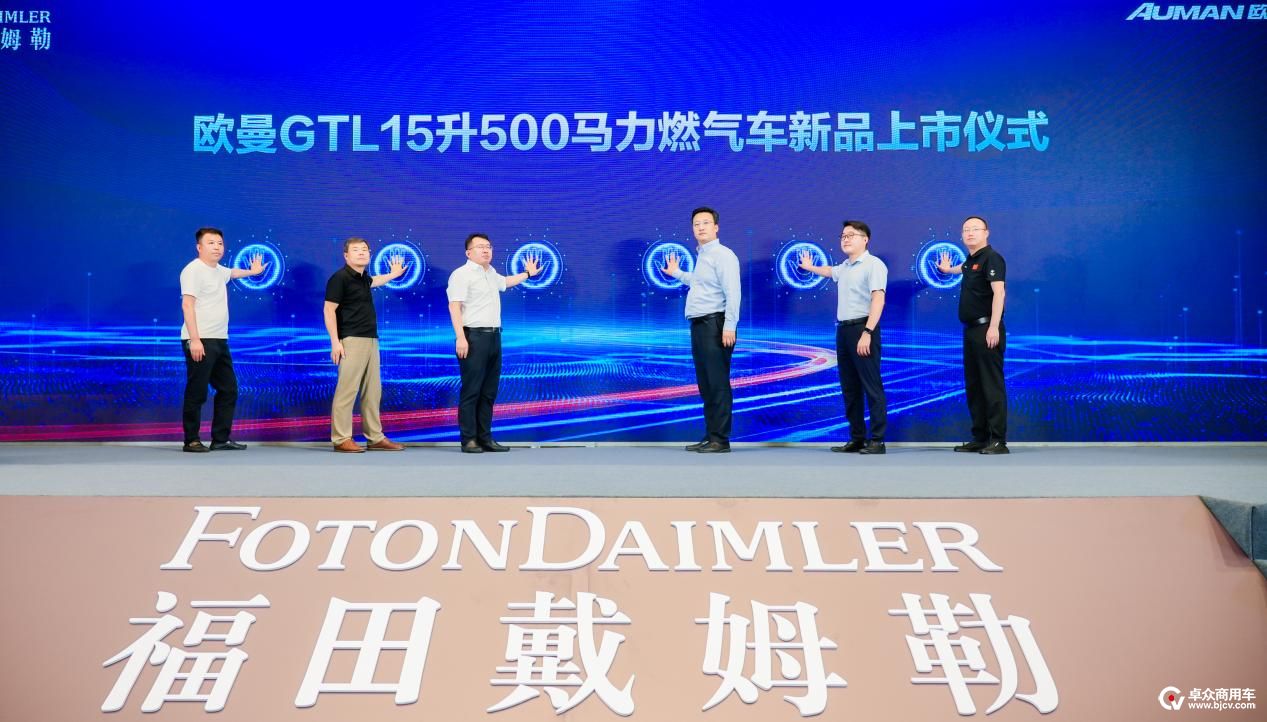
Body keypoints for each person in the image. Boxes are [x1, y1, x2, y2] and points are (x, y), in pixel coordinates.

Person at [799, 220, 888, 454]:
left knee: (871, 386)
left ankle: (877, 440)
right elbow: (830, 271)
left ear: (865, 239)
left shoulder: (873, 265)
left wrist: (868, 332)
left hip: (863, 329)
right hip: (844, 331)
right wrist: (810, 267)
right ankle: (857, 438)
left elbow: (878, 299)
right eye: (843, 236)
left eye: (851, 235)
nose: (846, 239)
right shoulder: (845, 267)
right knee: (850, 387)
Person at [446, 234, 541, 453]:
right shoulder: (461, 274)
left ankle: (485, 438)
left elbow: (505, 282)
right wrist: (460, 337)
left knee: (489, 392)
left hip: (494, 337)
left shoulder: (490, 272)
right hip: (473, 337)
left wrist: (528, 274)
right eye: (480, 247)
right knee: (472, 390)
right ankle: (469, 439)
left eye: (488, 246)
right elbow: (454, 306)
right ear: (468, 252)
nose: (486, 250)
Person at [179, 227, 266, 452]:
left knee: (229, 389)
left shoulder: (218, 270)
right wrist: (194, 340)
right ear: (199, 247)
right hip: (200, 339)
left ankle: (220, 439)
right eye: (211, 243)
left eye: (220, 243)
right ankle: (191, 440)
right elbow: (187, 305)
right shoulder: (193, 270)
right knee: (197, 391)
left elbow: (232, 273)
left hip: (219, 339)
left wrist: (253, 272)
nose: (217, 247)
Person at [662, 206, 741, 453]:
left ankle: (721, 439)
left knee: (717, 383)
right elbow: (700, 283)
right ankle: (711, 435)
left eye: (706, 223)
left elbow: (733, 292)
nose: (700, 227)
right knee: (706, 384)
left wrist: (729, 326)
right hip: (699, 325)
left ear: (716, 227)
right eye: (696, 224)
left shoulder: (723, 255)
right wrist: (676, 273)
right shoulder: (704, 256)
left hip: (715, 325)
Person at [324, 237, 408, 453]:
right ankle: (341, 438)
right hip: (351, 340)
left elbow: (375, 281)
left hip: (371, 339)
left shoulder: (363, 278)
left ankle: (375, 437)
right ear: (346, 256)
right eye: (356, 250)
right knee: (347, 390)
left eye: (365, 249)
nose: (362, 252)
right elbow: (328, 310)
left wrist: (394, 274)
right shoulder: (339, 278)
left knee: (373, 391)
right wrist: (335, 342)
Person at [938, 216, 1009, 454]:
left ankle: (998, 440)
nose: (970, 233)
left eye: (975, 229)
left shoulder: (992, 258)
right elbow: (962, 269)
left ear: (986, 233)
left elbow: (999, 294)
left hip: (987, 329)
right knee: (974, 386)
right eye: (966, 229)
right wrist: (947, 269)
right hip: (970, 331)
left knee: (991, 385)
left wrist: (993, 326)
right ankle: (980, 437)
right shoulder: (971, 261)